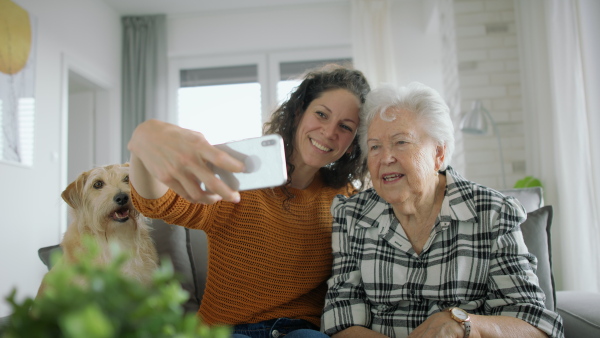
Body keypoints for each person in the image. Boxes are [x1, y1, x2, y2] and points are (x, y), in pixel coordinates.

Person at [127, 64, 371, 338]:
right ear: (299, 112)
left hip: (300, 329)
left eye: (345, 127)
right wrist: (143, 142)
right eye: (321, 114)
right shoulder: (241, 179)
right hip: (227, 329)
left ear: (353, 143)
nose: (328, 132)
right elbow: (160, 204)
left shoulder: (347, 198)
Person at [321, 82, 564, 338]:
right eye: (374, 146)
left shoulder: (492, 213)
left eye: (401, 142)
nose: (385, 158)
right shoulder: (352, 215)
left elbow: (536, 326)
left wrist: (465, 325)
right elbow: (341, 320)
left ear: (438, 153)